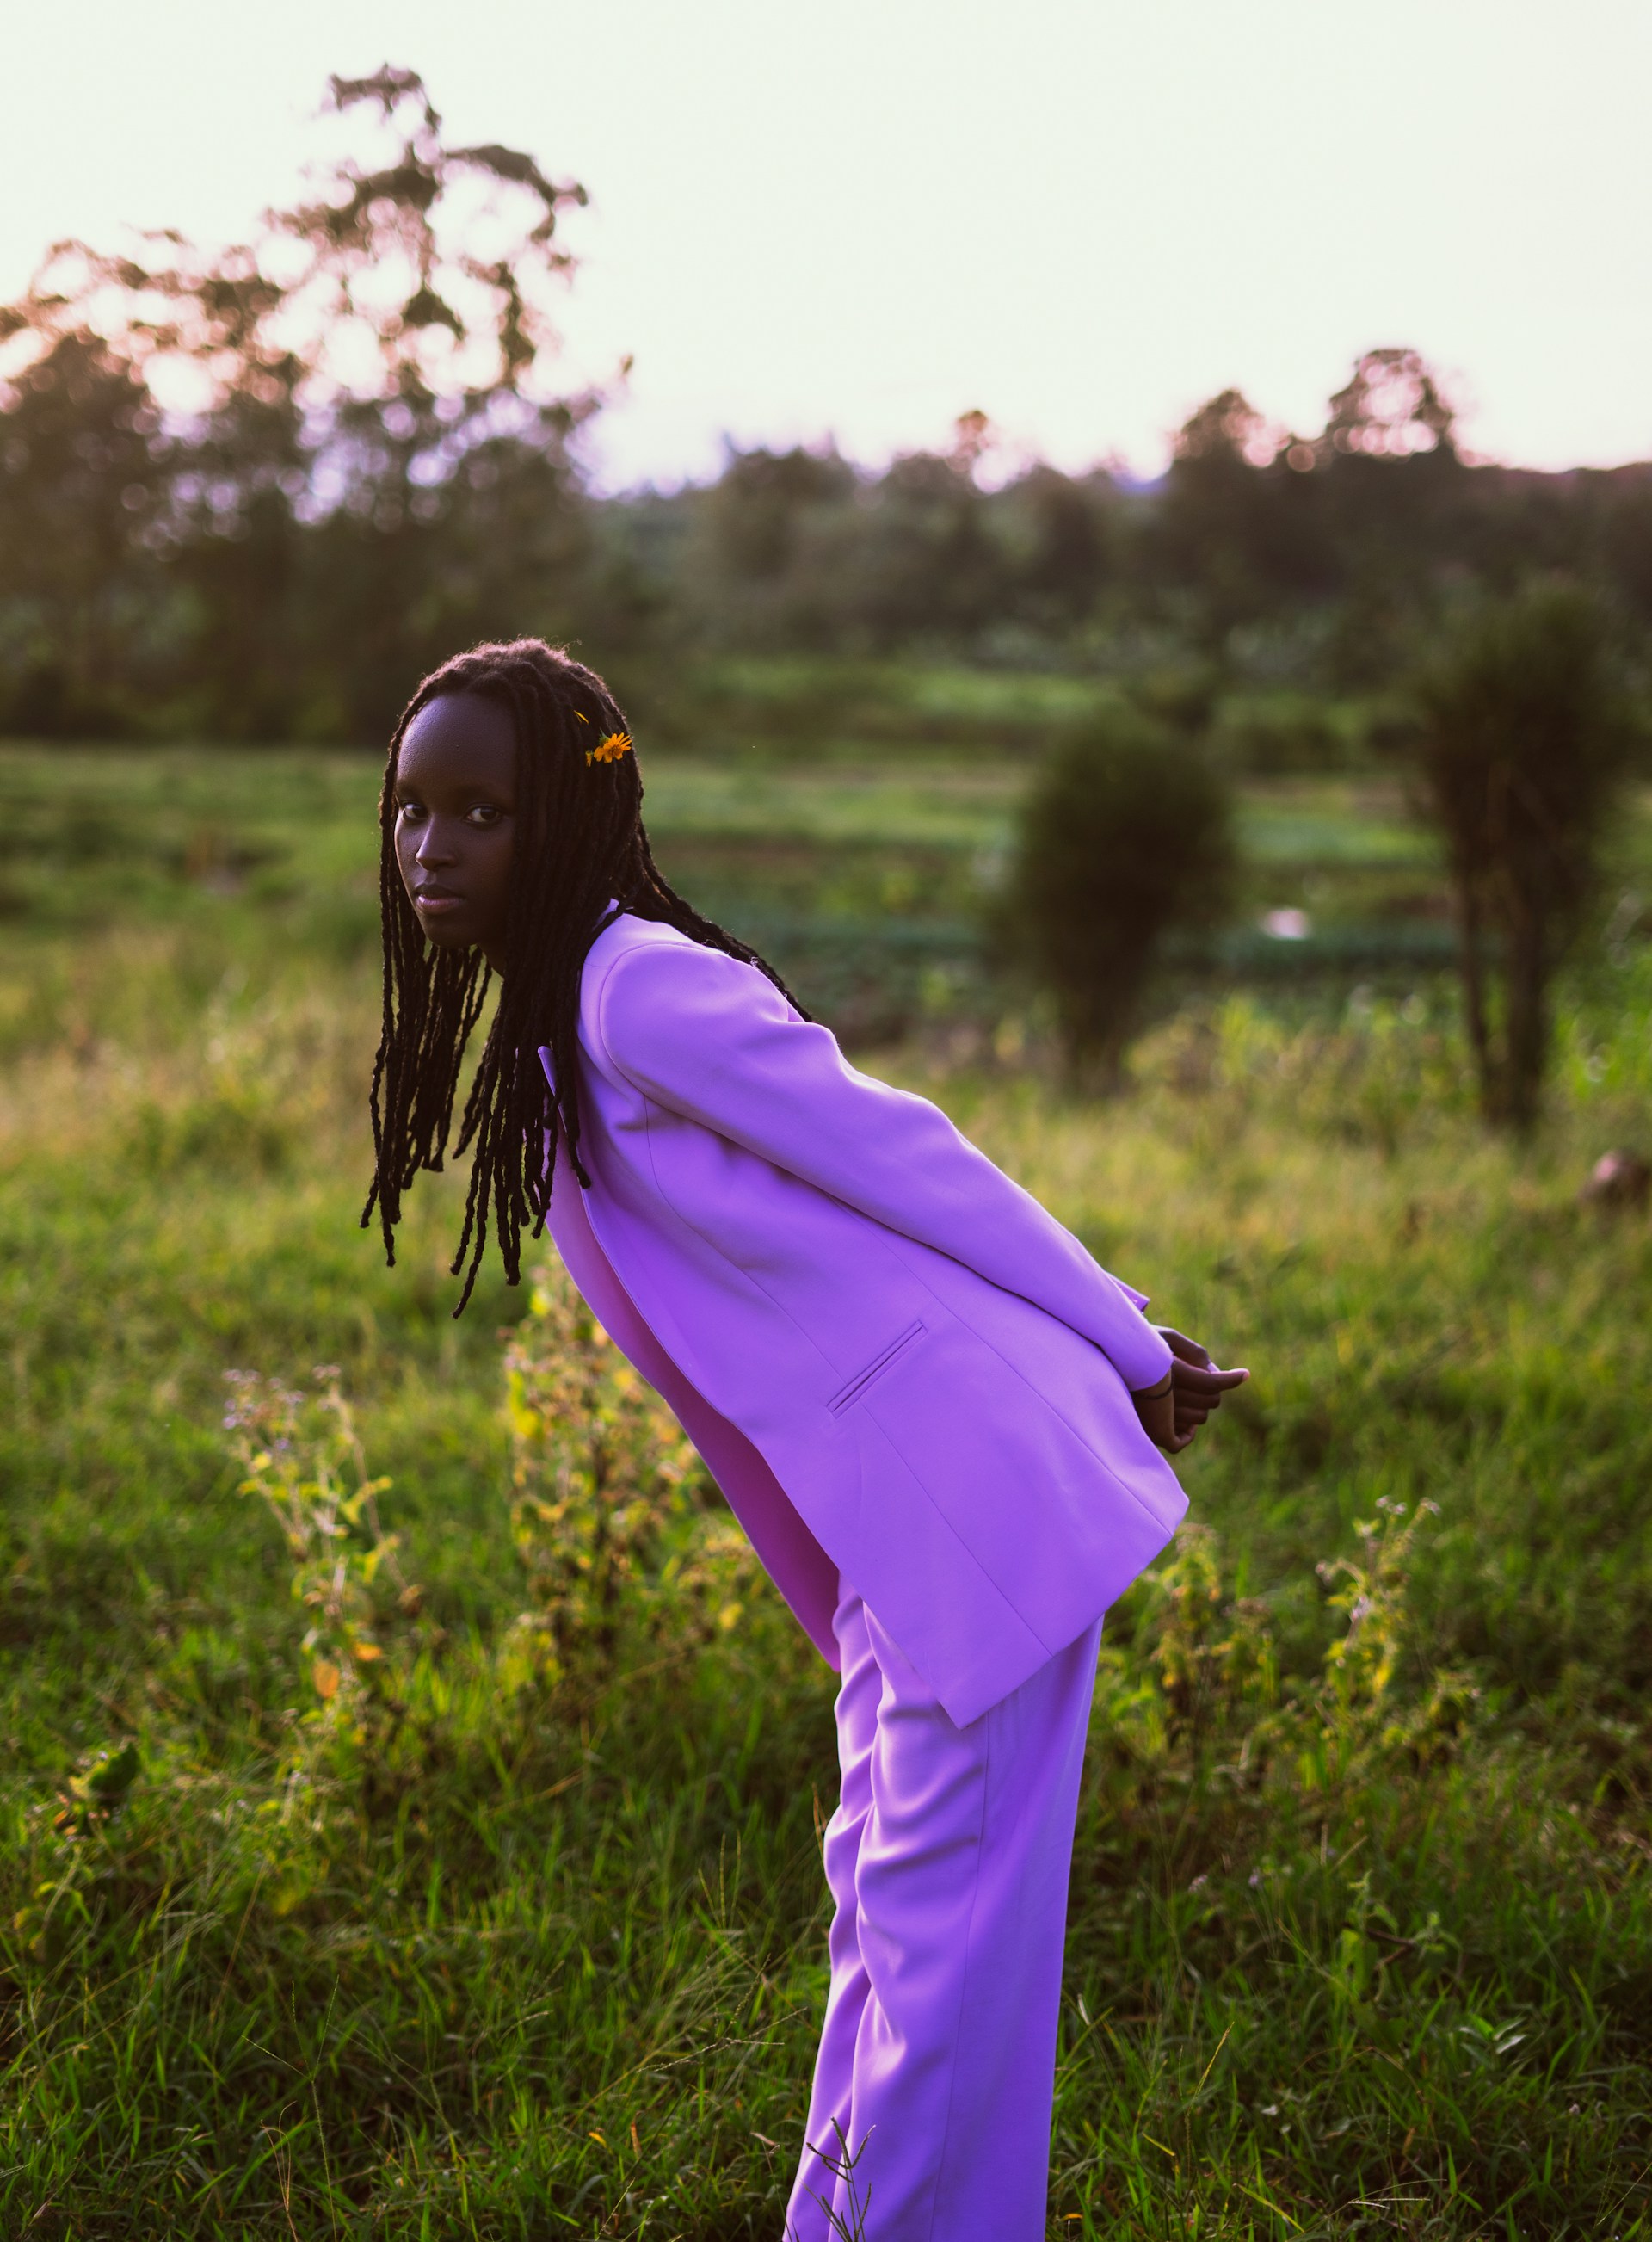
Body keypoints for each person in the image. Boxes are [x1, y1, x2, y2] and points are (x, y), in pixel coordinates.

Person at [362, 638, 1248, 2240]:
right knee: (888, 1910)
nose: (434, 848)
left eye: (480, 811)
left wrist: (1130, 1340)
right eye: (411, 811)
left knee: (938, 1942)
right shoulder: (561, 1021)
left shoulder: (645, 989)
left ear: (566, 817)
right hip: (897, 1543)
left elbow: (918, 1162)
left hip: (973, 1500)